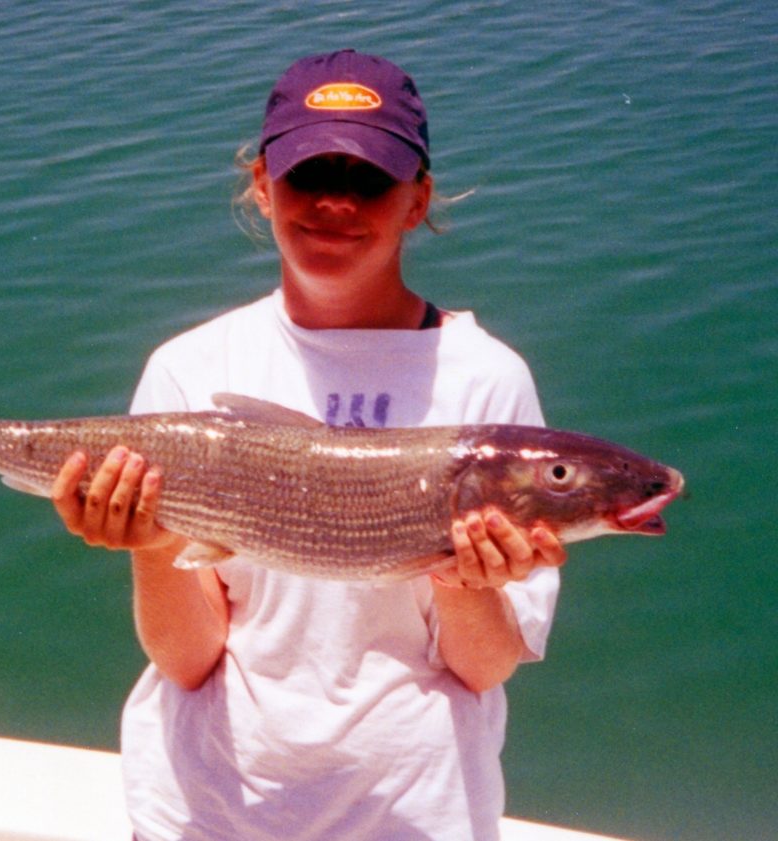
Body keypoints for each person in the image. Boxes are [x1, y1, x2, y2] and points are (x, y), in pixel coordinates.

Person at [51, 49, 565, 841]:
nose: (335, 203)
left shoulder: (487, 383)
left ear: (418, 199)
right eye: (307, 176)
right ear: (262, 184)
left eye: (368, 181)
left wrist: (466, 581)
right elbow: (189, 661)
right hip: (209, 810)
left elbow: (484, 668)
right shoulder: (189, 369)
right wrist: (152, 549)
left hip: (414, 815)